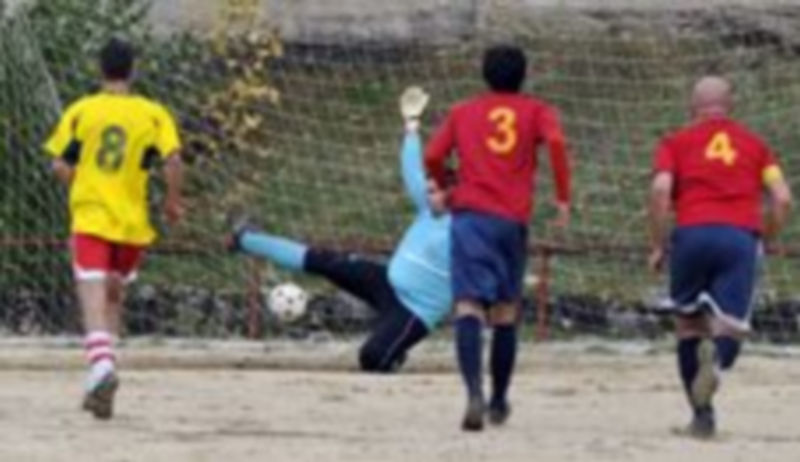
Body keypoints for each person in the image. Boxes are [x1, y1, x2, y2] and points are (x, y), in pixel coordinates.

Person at [227, 87, 452, 372]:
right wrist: (411, 126)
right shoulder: (429, 207)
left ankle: (393, 349)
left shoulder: (468, 228)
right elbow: (411, 170)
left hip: (414, 310)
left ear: (452, 193)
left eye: (433, 191)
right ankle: (245, 238)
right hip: (386, 283)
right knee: (324, 261)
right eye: (428, 190)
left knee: (372, 359)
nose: (426, 194)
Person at [425, 45, 571, 431]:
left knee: (468, 306)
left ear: (484, 75)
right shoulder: (536, 110)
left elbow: (433, 154)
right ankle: (499, 400)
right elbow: (557, 143)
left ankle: (473, 392)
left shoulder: (462, 112)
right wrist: (562, 198)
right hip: (510, 221)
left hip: (471, 219)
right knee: (506, 310)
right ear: (524, 75)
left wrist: (445, 184)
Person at [43, 38, 184, 420]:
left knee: (90, 289)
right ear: (133, 70)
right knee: (113, 292)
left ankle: (102, 367)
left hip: (92, 216)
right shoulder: (153, 114)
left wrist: (80, 181)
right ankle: (104, 372)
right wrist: (172, 202)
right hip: (133, 223)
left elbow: (59, 164)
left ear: (99, 69)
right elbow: (173, 161)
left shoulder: (82, 111)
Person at [648, 76, 792, 438]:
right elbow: (782, 197)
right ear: (730, 106)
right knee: (730, 326)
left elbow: (661, 189)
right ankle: (719, 363)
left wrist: (659, 244)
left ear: (692, 107)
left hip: (691, 236)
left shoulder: (674, 142)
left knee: (688, 327)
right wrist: (767, 236)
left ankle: (702, 417)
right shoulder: (757, 146)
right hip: (738, 238)